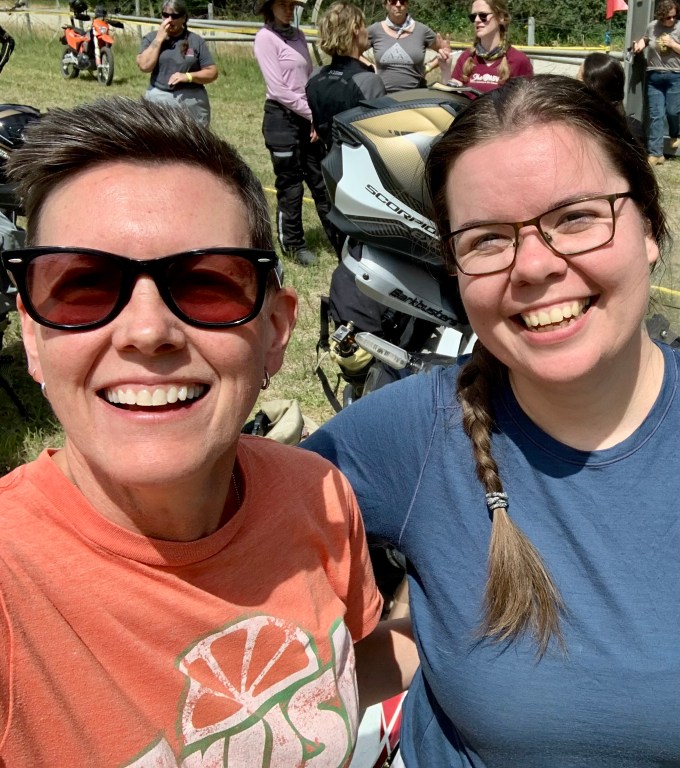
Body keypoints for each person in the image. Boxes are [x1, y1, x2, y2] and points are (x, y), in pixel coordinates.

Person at [304, 75, 680, 767]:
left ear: (649, 227)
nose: (534, 266)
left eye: (575, 218)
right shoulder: (410, 433)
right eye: (486, 239)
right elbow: (216, 530)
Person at [0, 97, 416, 765]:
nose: (147, 331)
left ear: (275, 331)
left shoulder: (315, 495)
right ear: (32, 335)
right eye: (82, 287)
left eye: (205, 285)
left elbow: (334, 680)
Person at [254, 0, 340, 266]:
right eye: (283, 4)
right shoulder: (265, 38)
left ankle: (338, 238)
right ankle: (293, 244)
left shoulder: (299, 35)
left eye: (292, 4)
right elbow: (278, 90)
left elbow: (308, 77)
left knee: (320, 181)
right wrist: (311, 114)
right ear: (270, 7)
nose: (289, 8)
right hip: (282, 119)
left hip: (306, 116)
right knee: (291, 185)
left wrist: (315, 114)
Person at [307, 1, 387, 146]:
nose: (367, 31)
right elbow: (381, 135)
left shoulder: (315, 77)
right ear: (355, 29)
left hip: (329, 156)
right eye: (364, 26)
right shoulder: (368, 81)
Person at [136, 0, 218, 126]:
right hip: (159, 97)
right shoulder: (151, 38)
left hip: (191, 100)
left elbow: (212, 72)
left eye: (174, 16)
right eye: (165, 15)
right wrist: (159, 39)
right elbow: (144, 66)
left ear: (183, 18)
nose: (169, 20)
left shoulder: (196, 41)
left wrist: (188, 76)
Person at [631, 0, 680, 167]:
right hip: (654, 76)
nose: (671, 20)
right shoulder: (652, 26)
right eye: (668, 17)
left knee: (673, 111)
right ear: (661, 16)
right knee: (655, 115)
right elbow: (645, 39)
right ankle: (655, 153)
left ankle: (675, 134)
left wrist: (673, 44)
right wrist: (639, 46)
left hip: (676, 75)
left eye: (674, 16)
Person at [447, 0, 532, 96]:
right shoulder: (466, 57)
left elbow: (527, 101)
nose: (477, 20)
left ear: (500, 18)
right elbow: (451, 98)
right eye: (473, 17)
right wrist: (445, 68)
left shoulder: (518, 60)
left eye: (483, 15)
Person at [366, 0, 450, 93]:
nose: (398, 5)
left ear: (407, 4)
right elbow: (354, 51)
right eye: (393, 1)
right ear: (385, 5)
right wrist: (370, 66)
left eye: (402, 1)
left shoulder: (422, 31)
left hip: (414, 96)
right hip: (382, 95)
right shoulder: (374, 30)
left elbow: (443, 51)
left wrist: (429, 67)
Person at [577, 51, 643, 145]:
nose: (574, 84)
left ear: (594, 88)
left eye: (579, 79)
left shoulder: (582, 131)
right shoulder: (634, 129)